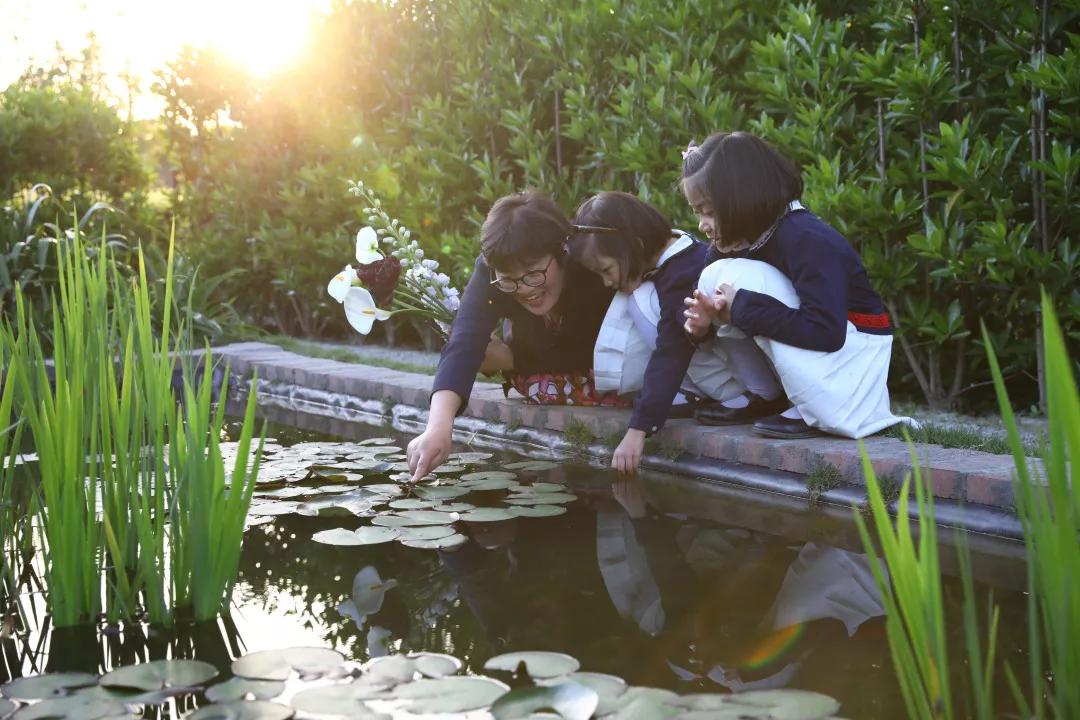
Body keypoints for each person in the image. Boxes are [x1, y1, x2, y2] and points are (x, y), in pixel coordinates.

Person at [682, 131, 905, 439]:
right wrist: (703, 324)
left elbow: (826, 331)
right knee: (715, 277)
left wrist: (741, 306)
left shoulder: (806, 238)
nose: (702, 225)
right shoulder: (736, 241)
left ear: (741, 198)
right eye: (698, 212)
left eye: (710, 211)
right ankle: (765, 396)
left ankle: (813, 407)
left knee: (734, 277)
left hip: (849, 365)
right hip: (820, 352)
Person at [406, 191, 617, 480]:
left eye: (533, 273)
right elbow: (464, 342)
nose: (525, 289)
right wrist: (437, 428)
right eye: (508, 280)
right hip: (539, 362)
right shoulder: (491, 270)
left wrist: (512, 359)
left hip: (606, 364)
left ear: (562, 251)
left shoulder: (591, 263)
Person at [570, 192, 743, 474]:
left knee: (641, 298)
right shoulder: (673, 255)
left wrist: (638, 428)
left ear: (636, 245)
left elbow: (672, 349)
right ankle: (688, 393)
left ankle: (728, 396)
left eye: (606, 270)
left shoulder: (684, 272)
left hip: (735, 380)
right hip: (714, 367)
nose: (606, 282)